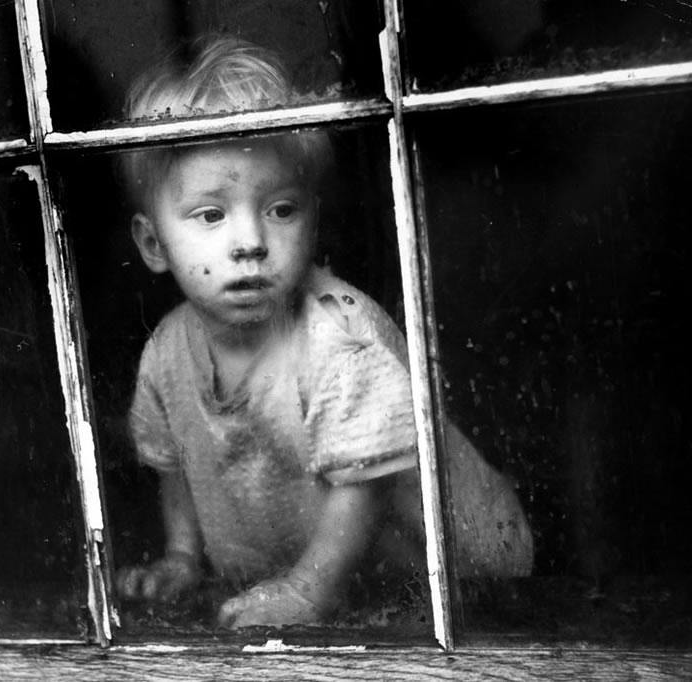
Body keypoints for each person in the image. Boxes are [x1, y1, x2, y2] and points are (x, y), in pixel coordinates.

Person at [115, 35, 532, 628]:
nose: (250, 242)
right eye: (211, 215)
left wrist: (308, 593)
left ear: (313, 217)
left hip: (466, 574)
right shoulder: (166, 351)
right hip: (347, 582)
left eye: (280, 209)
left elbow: (367, 489)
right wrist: (183, 556)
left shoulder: (334, 338)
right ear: (154, 244)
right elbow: (176, 461)